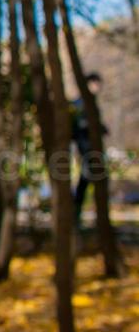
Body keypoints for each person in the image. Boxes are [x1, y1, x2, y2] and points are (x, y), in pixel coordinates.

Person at [71, 71, 109, 225]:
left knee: (91, 179)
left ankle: (84, 215)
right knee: (86, 178)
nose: (98, 87)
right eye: (95, 83)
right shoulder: (80, 103)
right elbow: (79, 125)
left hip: (92, 148)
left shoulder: (91, 102)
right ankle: (77, 215)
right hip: (86, 148)